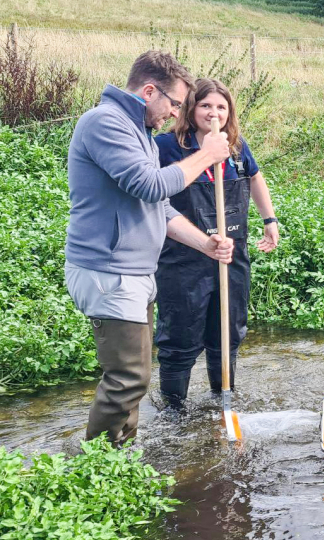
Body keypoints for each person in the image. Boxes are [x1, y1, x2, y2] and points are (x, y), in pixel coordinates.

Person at [65, 51, 234, 446]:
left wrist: (205, 245)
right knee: (127, 378)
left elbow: (158, 207)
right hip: (109, 271)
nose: (176, 114)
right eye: (174, 104)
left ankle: (121, 460)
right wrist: (206, 155)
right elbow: (151, 185)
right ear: (148, 91)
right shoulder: (104, 123)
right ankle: (97, 470)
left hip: (135, 272)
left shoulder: (137, 132)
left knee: (135, 377)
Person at [153, 78, 279, 407]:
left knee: (226, 331)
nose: (214, 113)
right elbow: (155, 196)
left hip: (230, 256)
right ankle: (174, 411)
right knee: (179, 334)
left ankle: (222, 398)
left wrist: (270, 220)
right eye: (206, 105)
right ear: (191, 108)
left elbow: (254, 176)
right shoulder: (167, 147)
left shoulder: (235, 146)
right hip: (182, 259)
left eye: (221, 107)